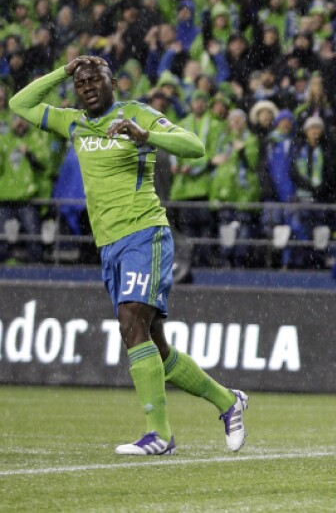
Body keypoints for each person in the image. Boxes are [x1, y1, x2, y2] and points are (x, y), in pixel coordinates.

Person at [9, 56, 248, 456]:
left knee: (130, 321)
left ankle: (159, 434)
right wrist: (62, 71)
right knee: (156, 346)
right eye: (80, 82)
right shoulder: (73, 122)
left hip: (145, 233)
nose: (86, 87)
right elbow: (20, 104)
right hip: (109, 245)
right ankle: (229, 401)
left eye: (94, 80)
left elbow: (196, 146)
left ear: (112, 82)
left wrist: (145, 135)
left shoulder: (137, 114)